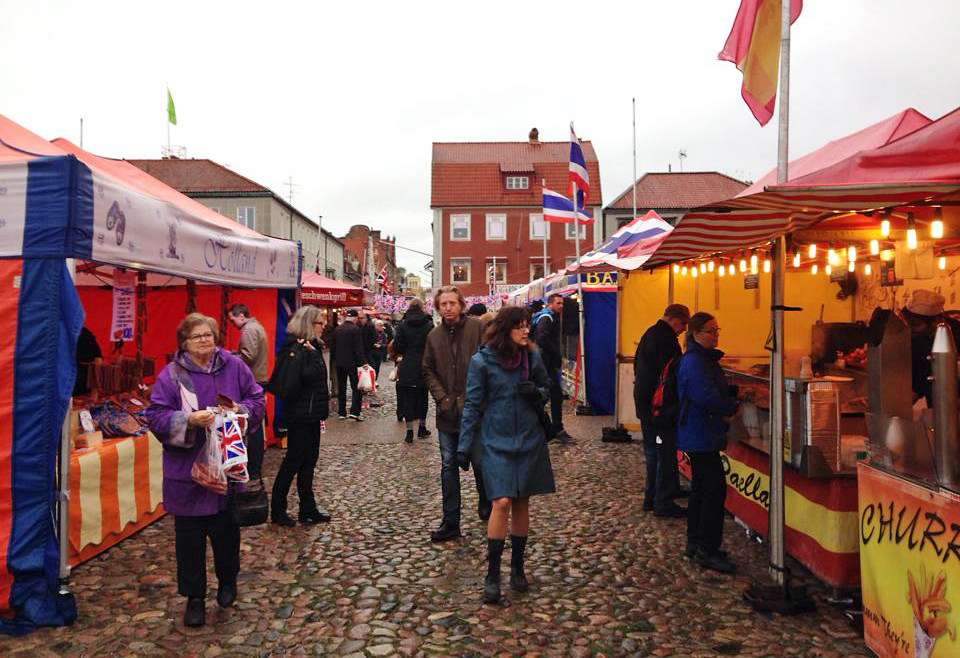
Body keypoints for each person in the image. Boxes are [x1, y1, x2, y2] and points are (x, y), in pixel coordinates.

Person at [146, 313, 264, 627]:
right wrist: (187, 420)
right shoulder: (172, 375)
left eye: (208, 335)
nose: (204, 340)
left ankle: (227, 582)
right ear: (184, 342)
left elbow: (257, 399)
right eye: (197, 336)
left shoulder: (233, 366)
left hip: (224, 468)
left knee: (226, 535)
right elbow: (155, 415)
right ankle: (194, 598)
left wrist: (239, 411)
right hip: (187, 473)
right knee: (189, 541)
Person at [458, 306, 556, 604]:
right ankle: (492, 574)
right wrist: (464, 445)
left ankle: (517, 568)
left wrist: (537, 392)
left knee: (522, 501)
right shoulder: (482, 362)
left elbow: (547, 388)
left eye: (527, 325)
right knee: (500, 502)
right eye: (520, 326)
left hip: (528, 438)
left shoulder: (533, 357)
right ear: (504, 329)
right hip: (496, 440)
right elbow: (473, 404)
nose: (526, 331)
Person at [422, 285, 491, 542]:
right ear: (438, 308)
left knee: (480, 463)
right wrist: (442, 397)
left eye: (452, 303)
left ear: (461, 305)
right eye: (444, 304)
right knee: (448, 465)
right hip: (447, 413)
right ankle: (451, 521)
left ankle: (487, 499)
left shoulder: (478, 328)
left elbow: (490, 361)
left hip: (475, 411)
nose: (448, 308)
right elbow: (427, 369)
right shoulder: (433, 336)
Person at [676, 312, 739, 574]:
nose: (715, 335)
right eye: (711, 331)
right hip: (700, 433)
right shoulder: (695, 361)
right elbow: (704, 396)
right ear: (696, 334)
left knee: (701, 490)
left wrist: (732, 393)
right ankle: (706, 548)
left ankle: (696, 543)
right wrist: (731, 407)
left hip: (700, 432)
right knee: (713, 492)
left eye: (717, 330)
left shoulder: (700, 359)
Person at [267, 306, 331, 527]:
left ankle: (307, 508)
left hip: (312, 414)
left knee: (309, 461)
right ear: (308, 324)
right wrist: (312, 357)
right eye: (320, 323)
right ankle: (278, 509)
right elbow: (297, 381)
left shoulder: (312, 347)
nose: (323, 326)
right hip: (300, 415)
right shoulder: (297, 349)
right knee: (293, 461)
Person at [633, 304, 691, 518]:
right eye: (683, 323)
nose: (684, 329)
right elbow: (672, 376)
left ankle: (653, 496)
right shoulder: (666, 340)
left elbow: (638, 365)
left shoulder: (650, 333)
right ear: (673, 318)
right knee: (662, 453)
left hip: (646, 403)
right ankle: (662, 501)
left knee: (654, 451)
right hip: (658, 408)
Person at [228, 303, 269, 481]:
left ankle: (253, 467)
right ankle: (254, 466)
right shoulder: (256, 327)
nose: (232, 324)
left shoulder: (249, 330)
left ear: (241, 316)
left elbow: (248, 356)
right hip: (258, 379)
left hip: (253, 380)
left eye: (232, 320)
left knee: (253, 426)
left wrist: (230, 356)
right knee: (255, 425)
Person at [899, 289, 960, 406]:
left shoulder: (956, 332)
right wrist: (897, 408)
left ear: (935, 322)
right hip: (936, 405)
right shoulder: (916, 340)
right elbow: (918, 383)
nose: (911, 329)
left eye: (916, 324)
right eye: (908, 324)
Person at [392, 300, 434, 442]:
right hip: (424, 364)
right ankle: (422, 427)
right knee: (423, 397)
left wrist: (406, 352)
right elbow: (433, 345)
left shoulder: (403, 325)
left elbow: (397, 345)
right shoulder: (429, 324)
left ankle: (409, 431)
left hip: (408, 364)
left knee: (408, 398)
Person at [533, 293, 573, 444]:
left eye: (562, 303)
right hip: (547, 364)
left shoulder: (547, 316)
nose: (561, 306)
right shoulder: (547, 318)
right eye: (558, 303)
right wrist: (556, 352)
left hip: (547, 363)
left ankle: (553, 428)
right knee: (552, 396)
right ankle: (554, 429)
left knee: (551, 396)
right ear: (550, 304)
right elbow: (542, 338)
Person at [332, 309, 368, 421]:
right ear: (355, 318)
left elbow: (333, 347)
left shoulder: (337, 329)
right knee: (356, 387)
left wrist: (334, 360)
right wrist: (363, 362)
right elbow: (358, 348)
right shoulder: (355, 329)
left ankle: (342, 412)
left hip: (339, 363)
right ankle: (355, 412)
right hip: (353, 363)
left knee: (341, 387)